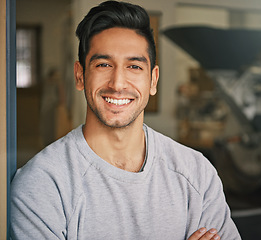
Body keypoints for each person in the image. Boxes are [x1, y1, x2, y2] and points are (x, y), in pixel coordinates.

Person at [10, 1, 242, 239]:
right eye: (103, 64)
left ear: (153, 80)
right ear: (80, 76)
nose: (118, 83)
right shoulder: (42, 184)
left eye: (134, 66)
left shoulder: (196, 173)